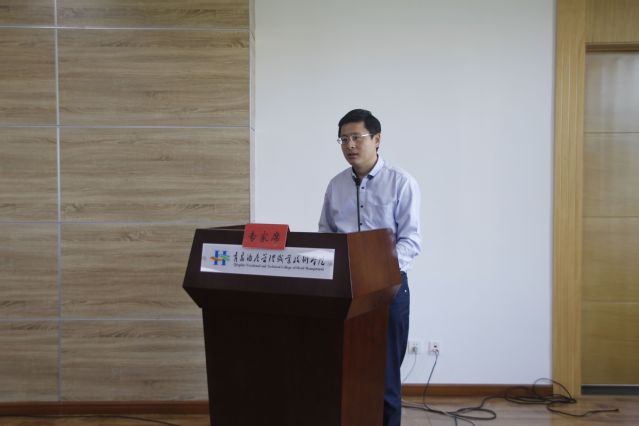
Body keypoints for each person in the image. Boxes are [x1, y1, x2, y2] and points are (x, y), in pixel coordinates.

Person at [318, 108, 421, 426]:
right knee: (346, 372)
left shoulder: (401, 182)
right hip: (346, 291)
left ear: (377, 139)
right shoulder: (336, 186)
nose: (349, 145)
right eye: (343, 139)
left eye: (357, 137)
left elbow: (411, 241)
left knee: (385, 377)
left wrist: (377, 271)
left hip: (387, 289)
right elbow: (326, 234)